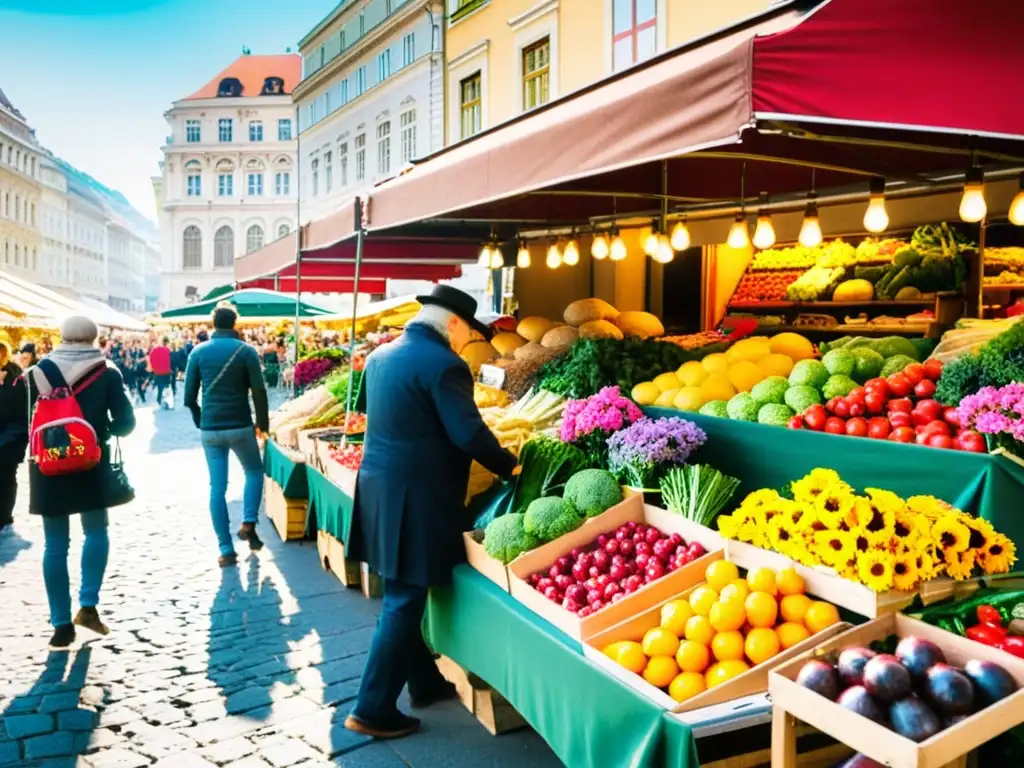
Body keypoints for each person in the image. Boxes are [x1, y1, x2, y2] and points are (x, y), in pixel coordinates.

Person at [345, 285, 518, 740]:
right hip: (417, 497)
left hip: (379, 489)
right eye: (468, 333)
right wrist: (510, 466)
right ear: (454, 323)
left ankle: (423, 682)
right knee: (404, 599)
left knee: (402, 589)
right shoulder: (445, 364)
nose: (466, 344)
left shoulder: (381, 357)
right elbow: (469, 433)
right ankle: (372, 708)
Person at [26, 316, 136, 648]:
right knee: (96, 531)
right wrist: (102, 429)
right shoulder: (107, 371)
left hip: (47, 463)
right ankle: (88, 605)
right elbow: (126, 424)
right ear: (94, 338)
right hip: (90, 460)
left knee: (54, 545)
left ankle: (60, 624)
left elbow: (25, 421)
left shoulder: (38, 372)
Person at [185, 305, 269, 567]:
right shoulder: (246, 352)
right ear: (235, 323)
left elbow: (188, 397)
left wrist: (202, 421)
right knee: (254, 472)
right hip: (240, 425)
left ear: (213, 323)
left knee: (217, 488)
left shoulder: (197, 353)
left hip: (211, 429)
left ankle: (225, 549)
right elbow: (258, 390)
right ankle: (247, 521)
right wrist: (262, 423)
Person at [0, 342, 28, 531]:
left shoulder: (16, 377)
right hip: (9, 434)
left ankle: (4, 515)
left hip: (10, 437)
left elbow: (13, 410)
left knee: (6, 476)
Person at [149, 336, 174, 409]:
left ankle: (159, 401)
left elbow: (151, 360)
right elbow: (170, 361)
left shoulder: (154, 350)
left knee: (160, 387)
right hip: (166, 371)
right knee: (166, 387)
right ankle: (166, 402)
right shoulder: (167, 350)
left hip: (158, 372)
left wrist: (154, 368)